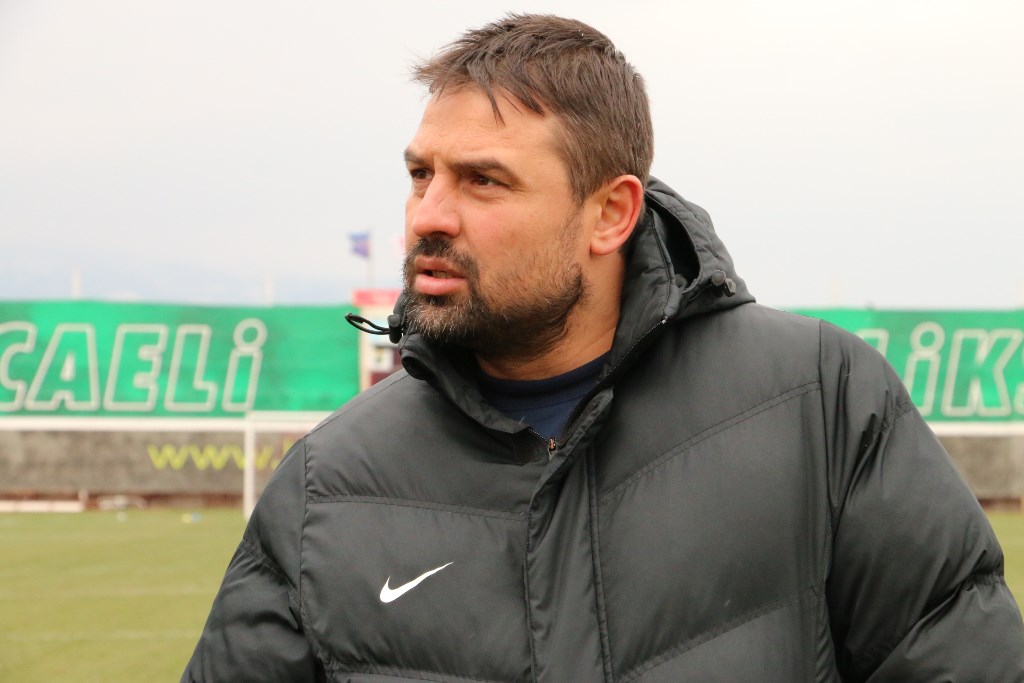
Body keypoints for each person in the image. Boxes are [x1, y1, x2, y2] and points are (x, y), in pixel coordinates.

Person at [182, 13, 1024, 682]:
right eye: (420, 174)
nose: (429, 215)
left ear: (611, 213)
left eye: (483, 180)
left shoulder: (820, 401)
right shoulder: (326, 486)